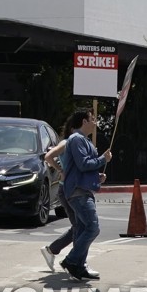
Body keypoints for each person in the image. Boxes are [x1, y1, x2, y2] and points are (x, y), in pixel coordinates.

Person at [59, 109, 112, 281]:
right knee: (92, 227)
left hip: (82, 189)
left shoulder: (83, 140)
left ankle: (79, 267)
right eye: (93, 119)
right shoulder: (76, 140)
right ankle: (71, 260)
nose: (95, 122)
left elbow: (81, 167)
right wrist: (103, 159)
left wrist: (97, 177)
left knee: (82, 229)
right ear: (84, 121)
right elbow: (83, 164)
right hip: (78, 191)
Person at [39, 110, 91, 272]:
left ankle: (55, 251)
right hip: (66, 189)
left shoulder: (78, 143)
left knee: (79, 226)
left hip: (72, 189)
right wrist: (61, 170)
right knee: (81, 226)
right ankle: (76, 263)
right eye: (92, 120)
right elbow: (49, 156)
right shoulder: (68, 142)